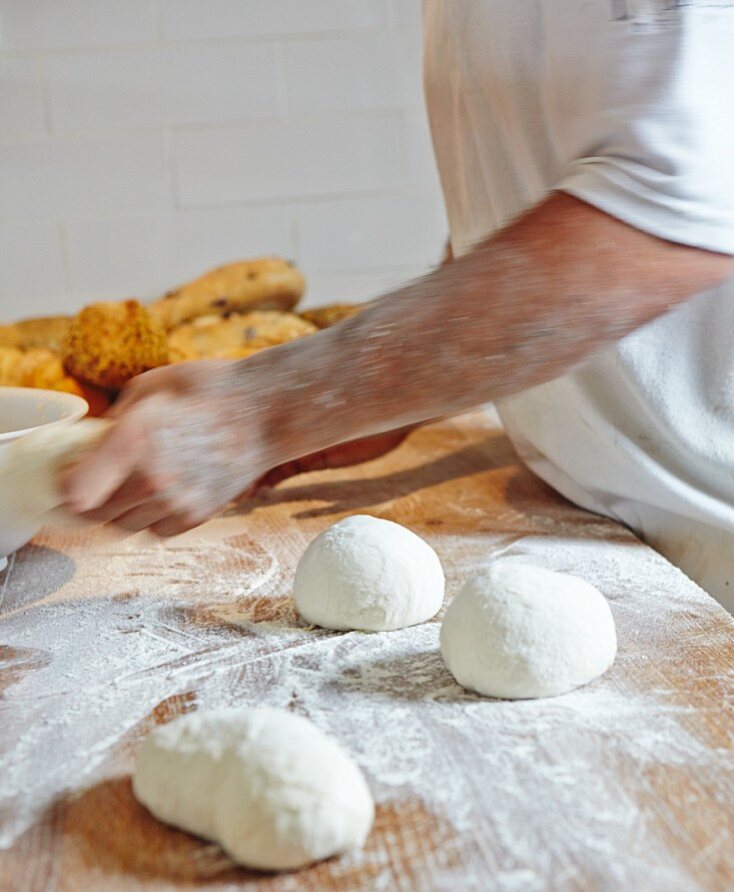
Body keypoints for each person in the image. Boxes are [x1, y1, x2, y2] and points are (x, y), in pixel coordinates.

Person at [64, 1, 734, 608]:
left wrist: (264, 411)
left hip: (711, 532)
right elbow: (537, 184)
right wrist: (402, 388)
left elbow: (665, 223)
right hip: (604, 520)